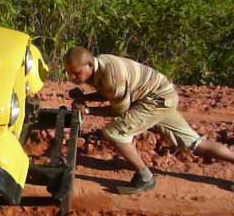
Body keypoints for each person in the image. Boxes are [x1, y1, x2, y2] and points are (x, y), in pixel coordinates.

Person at [63, 46, 234, 194]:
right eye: (70, 73)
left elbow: (119, 110)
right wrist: (86, 98)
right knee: (194, 143)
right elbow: (110, 93)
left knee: (114, 132)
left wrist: (87, 109)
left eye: (77, 73)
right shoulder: (101, 64)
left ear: (90, 64)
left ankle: (146, 177)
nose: (73, 78)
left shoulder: (111, 75)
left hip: (157, 100)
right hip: (162, 96)